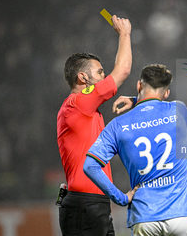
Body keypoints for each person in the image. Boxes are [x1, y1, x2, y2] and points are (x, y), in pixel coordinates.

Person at [83, 64, 187, 236]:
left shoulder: (117, 125)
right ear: (167, 93)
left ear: (139, 85)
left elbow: (90, 166)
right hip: (182, 213)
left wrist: (120, 198)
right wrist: (134, 100)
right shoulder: (179, 110)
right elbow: (156, 107)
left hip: (145, 216)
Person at [57, 15, 132, 236]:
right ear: (83, 78)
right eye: (99, 72)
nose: (104, 76)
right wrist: (125, 34)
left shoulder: (82, 109)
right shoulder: (79, 102)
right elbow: (123, 71)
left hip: (89, 203)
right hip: (85, 204)